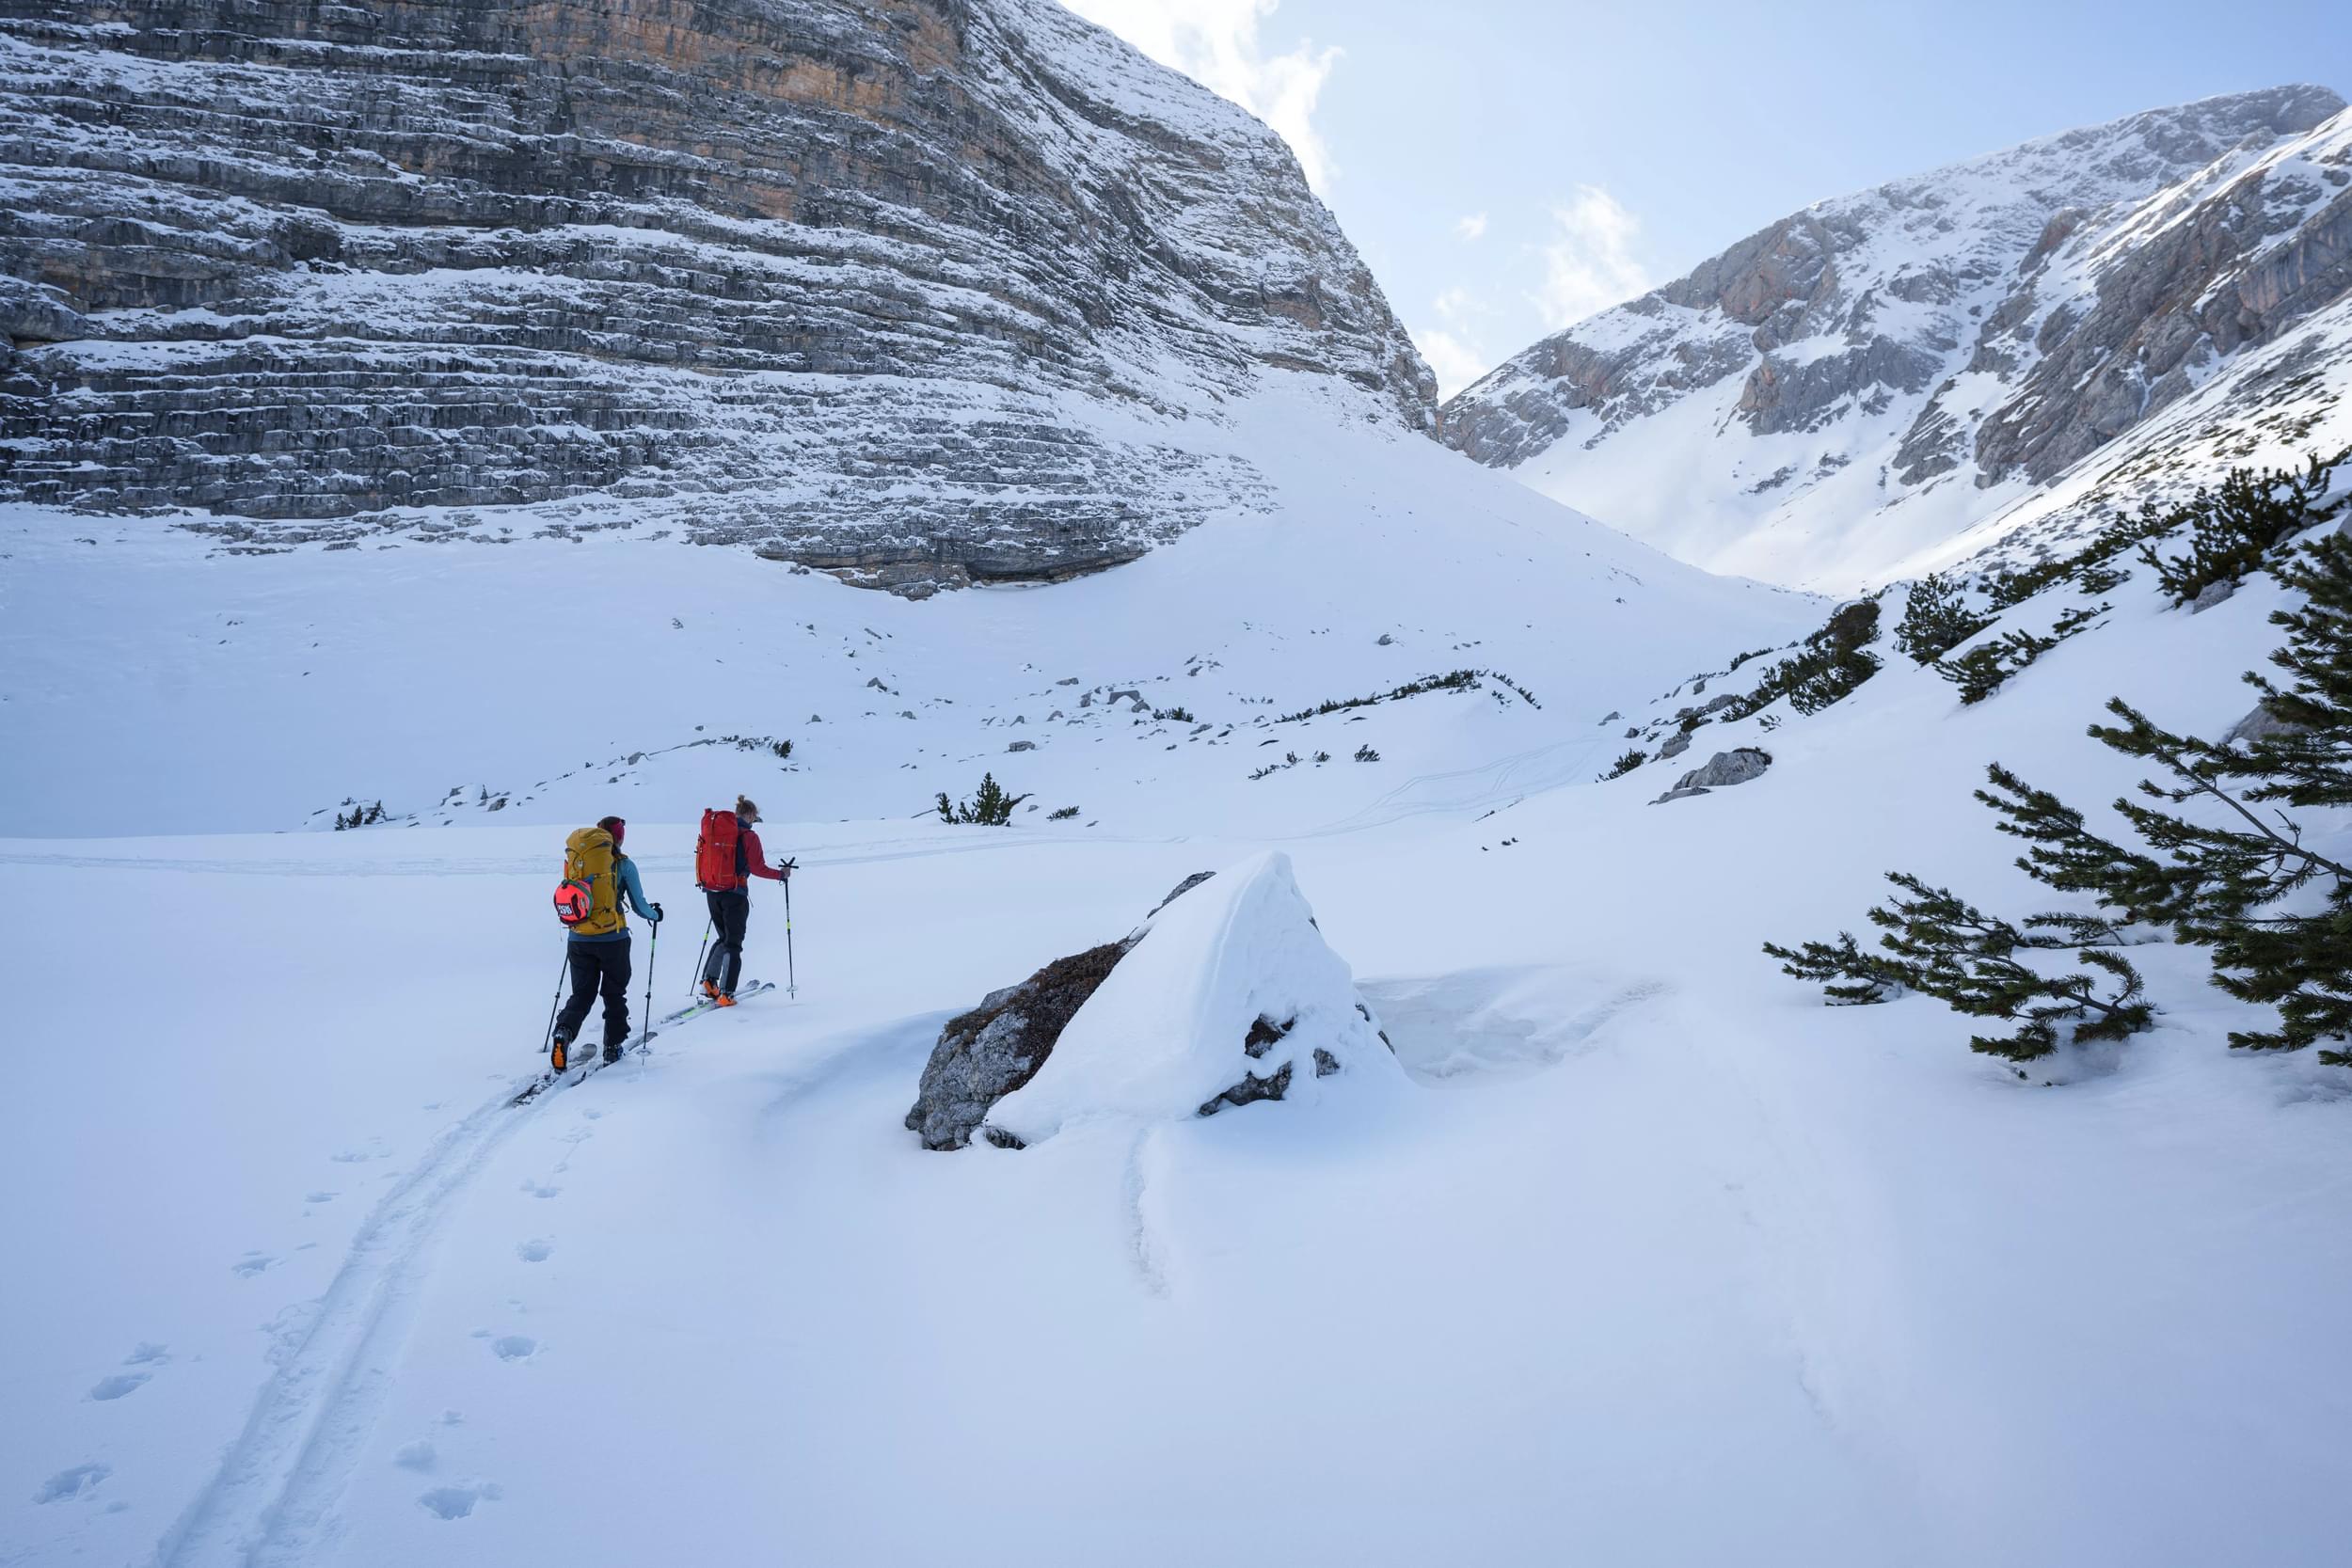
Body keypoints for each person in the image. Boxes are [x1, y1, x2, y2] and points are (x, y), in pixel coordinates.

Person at [553, 816, 661, 1066]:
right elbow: (639, 906)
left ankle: (564, 1031)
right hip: (613, 939)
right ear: (619, 837)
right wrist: (656, 915)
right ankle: (612, 1047)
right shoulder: (623, 864)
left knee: (582, 993)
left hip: (578, 937)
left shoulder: (576, 863)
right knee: (614, 994)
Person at [696, 794, 790, 1005]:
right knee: (733, 945)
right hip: (735, 895)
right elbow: (758, 868)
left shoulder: (717, 834)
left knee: (723, 938)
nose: (754, 821)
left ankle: (709, 982)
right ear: (749, 815)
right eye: (754, 817)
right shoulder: (749, 837)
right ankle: (726, 994)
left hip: (712, 891)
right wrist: (781, 874)